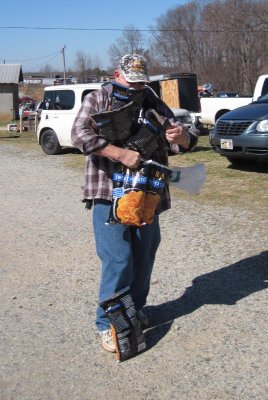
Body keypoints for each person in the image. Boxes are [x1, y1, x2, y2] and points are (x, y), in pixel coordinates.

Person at [71, 53, 198, 353]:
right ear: (117, 74)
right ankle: (108, 324)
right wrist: (119, 154)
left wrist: (180, 136)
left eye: (142, 82)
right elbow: (78, 134)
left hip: (147, 194)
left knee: (144, 254)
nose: (136, 88)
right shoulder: (97, 99)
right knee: (118, 259)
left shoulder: (151, 99)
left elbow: (189, 137)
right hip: (107, 193)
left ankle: (133, 312)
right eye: (131, 81)